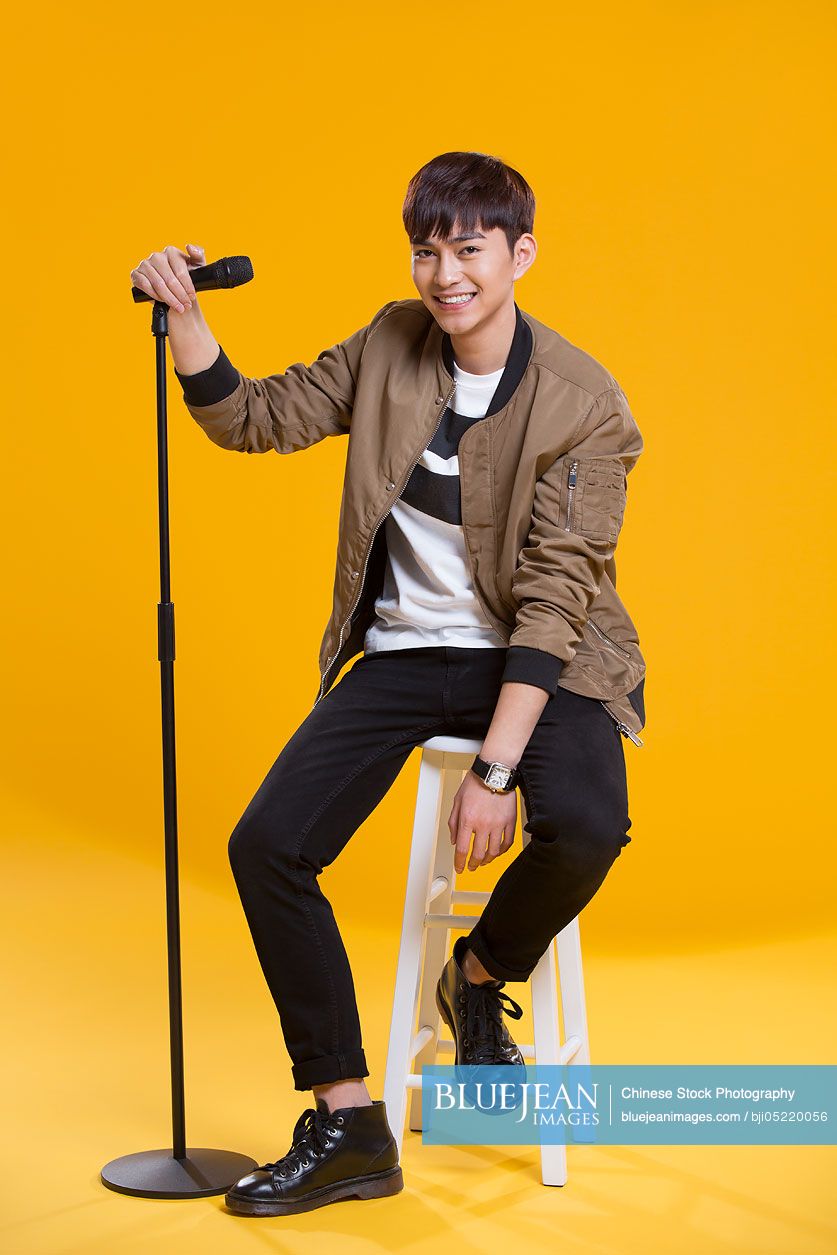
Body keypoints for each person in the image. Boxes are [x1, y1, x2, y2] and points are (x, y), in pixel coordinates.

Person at [129, 150, 647, 1218]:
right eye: (427, 248)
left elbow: (556, 599)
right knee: (266, 844)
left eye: (468, 249)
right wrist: (183, 314)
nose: (444, 273)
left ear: (520, 255)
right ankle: (350, 1121)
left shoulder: (587, 403)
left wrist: (496, 770)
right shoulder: (388, 345)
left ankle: (482, 973)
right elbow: (252, 418)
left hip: (541, 662)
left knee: (590, 822)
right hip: (406, 654)